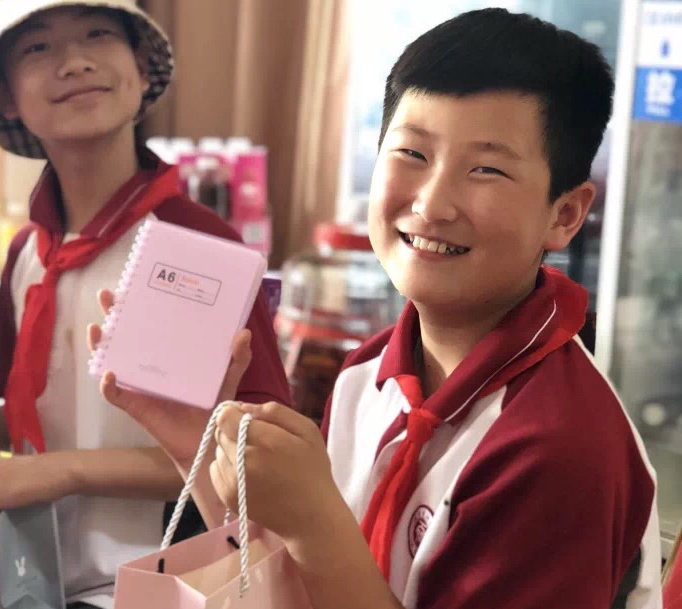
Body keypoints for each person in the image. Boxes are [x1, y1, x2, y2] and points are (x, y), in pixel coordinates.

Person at [92, 9, 662, 609]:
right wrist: (198, 447)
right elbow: (301, 581)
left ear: (564, 214)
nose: (432, 204)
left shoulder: (558, 448)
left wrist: (316, 522)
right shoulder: (369, 373)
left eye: (487, 169)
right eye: (412, 153)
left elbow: (321, 551)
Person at [0, 0, 290, 604]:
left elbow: (245, 450)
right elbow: (59, 414)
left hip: (157, 581)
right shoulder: (28, 252)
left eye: (98, 34)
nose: (74, 62)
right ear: (6, 96)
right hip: (32, 573)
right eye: (38, 47)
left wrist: (56, 472)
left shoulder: (195, 246)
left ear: (141, 70)